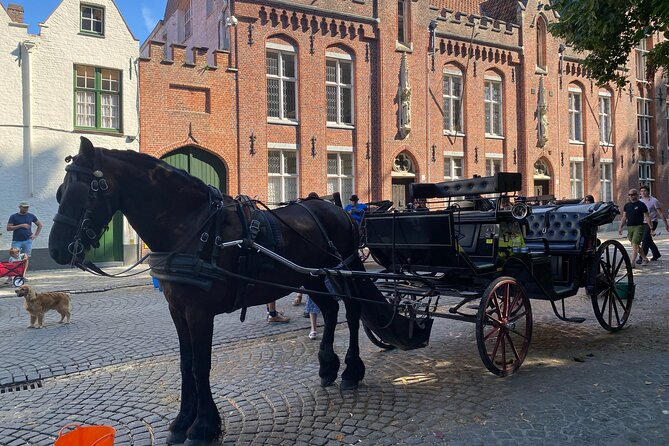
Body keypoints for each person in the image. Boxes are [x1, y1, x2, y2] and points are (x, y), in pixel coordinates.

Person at [618, 189, 651, 266]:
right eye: (629, 195)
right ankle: (645, 259)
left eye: (632, 195)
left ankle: (632, 263)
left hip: (639, 226)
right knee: (634, 244)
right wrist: (620, 227)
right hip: (630, 227)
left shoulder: (642, 205)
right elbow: (624, 217)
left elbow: (647, 217)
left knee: (635, 244)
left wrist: (651, 228)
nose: (631, 196)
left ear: (636, 195)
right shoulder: (627, 205)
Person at [6, 201, 42, 265]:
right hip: (16, 241)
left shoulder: (31, 216)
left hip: (27, 240)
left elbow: (39, 225)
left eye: (27, 207)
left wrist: (35, 235)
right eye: (24, 207)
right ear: (20, 207)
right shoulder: (14, 216)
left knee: (25, 257)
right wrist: (21, 225)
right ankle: (15, 272)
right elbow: (8, 228)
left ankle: (23, 273)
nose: (26, 208)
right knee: (14, 257)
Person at [639, 185, 668, 262]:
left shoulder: (654, 201)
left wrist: (666, 224)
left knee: (645, 239)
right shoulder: (640, 201)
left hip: (652, 222)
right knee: (648, 239)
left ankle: (642, 258)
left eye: (644, 191)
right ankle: (656, 254)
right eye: (641, 191)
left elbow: (661, 213)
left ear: (648, 191)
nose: (643, 192)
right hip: (643, 223)